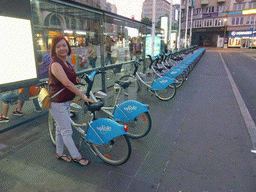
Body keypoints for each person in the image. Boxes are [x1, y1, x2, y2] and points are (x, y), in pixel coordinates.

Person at [49, 36, 93, 166]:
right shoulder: (56, 64)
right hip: (58, 102)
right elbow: (67, 83)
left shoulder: (66, 62)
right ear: (54, 50)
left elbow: (70, 79)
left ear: (68, 47)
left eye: (64, 45)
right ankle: (77, 156)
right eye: (58, 46)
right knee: (67, 131)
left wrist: (76, 80)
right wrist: (83, 96)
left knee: (60, 129)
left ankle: (59, 152)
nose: (62, 48)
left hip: (64, 101)